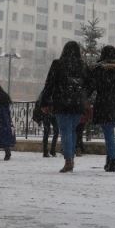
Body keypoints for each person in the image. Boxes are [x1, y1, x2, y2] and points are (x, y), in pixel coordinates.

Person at [41, 41, 88, 173]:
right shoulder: (82, 65)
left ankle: (68, 160)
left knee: (65, 131)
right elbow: (89, 83)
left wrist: (44, 102)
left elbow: (49, 84)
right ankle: (70, 158)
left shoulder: (58, 64)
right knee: (72, 131)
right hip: (77, 104)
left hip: (62, 103)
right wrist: (83, 96)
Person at [32, 91, 58, 157]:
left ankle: (51, 150)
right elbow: (39, 104)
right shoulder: (45, 93)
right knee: (47, 132)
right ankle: (46, 151)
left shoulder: (54, 92)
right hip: (46, 114)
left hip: (52, 114)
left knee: (55, 131)